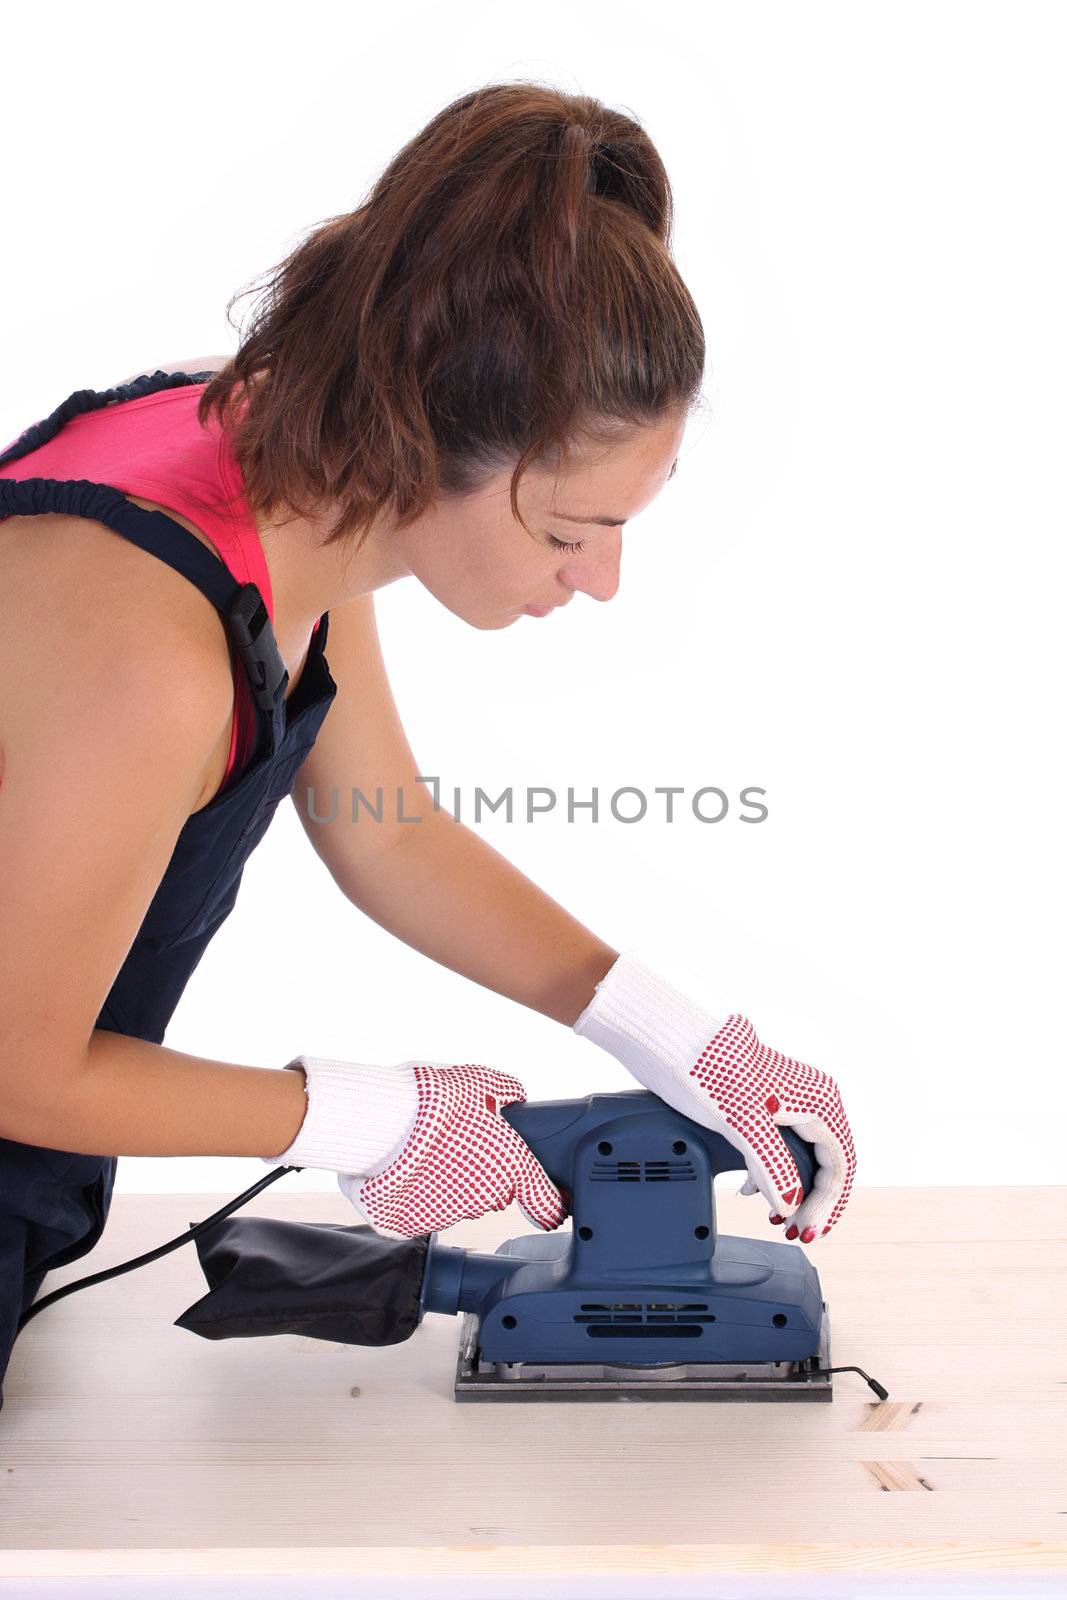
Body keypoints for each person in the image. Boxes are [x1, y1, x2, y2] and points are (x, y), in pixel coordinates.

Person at [0, 82, 856, 1404]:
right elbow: (18, 1062)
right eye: (570, 530)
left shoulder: (281, 468)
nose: (602, 579)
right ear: (422, 440)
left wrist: (664, 1031)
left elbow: (386, 827)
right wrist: (372, 1118)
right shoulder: (147, 650)